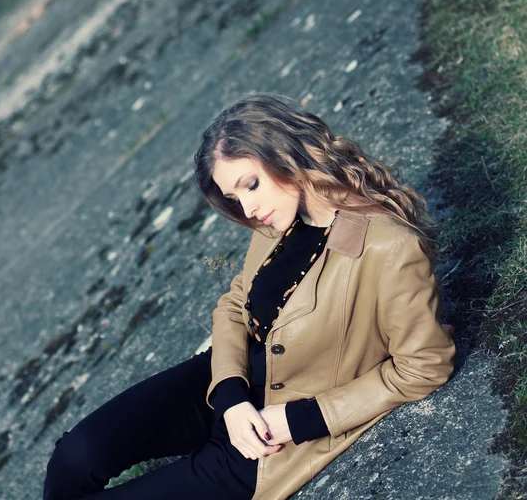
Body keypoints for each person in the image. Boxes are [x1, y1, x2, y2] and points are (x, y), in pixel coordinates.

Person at [42, 92, 455, 500]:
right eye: (235, 197)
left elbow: (425, 367)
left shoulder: (389, 247)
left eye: (251, 185)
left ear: (284, 153)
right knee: (72, 457)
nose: (249, 208)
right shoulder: (281, 221)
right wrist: (229, 396)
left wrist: (301, 419)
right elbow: (234, 306)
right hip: (222, 383)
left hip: (266, 445)